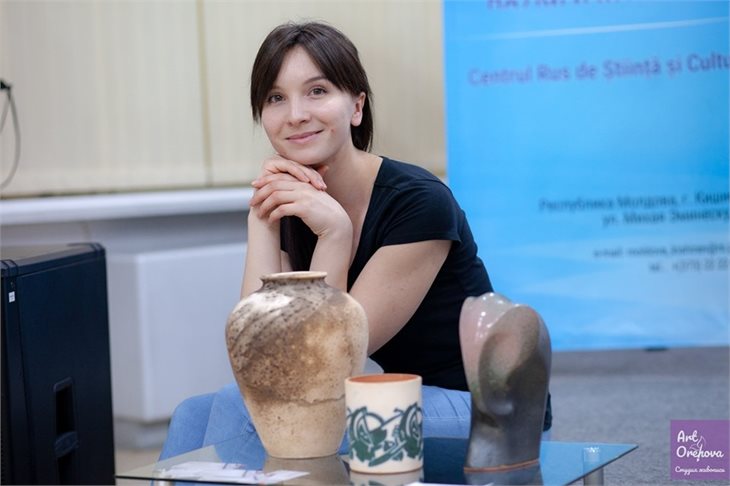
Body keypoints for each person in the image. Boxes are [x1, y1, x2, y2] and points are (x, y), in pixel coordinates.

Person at [160, 20, 550, 460]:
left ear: (357, 106)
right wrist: (262, 218)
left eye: (317, 91)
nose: (295, 114)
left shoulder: (419, 201)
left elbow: (323, 367)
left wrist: (335, 233)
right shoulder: (293, 199)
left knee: (247, 412)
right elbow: (256, 356)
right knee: (193, 414)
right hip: (388, 395)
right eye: (275, 98)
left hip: (487, 413)